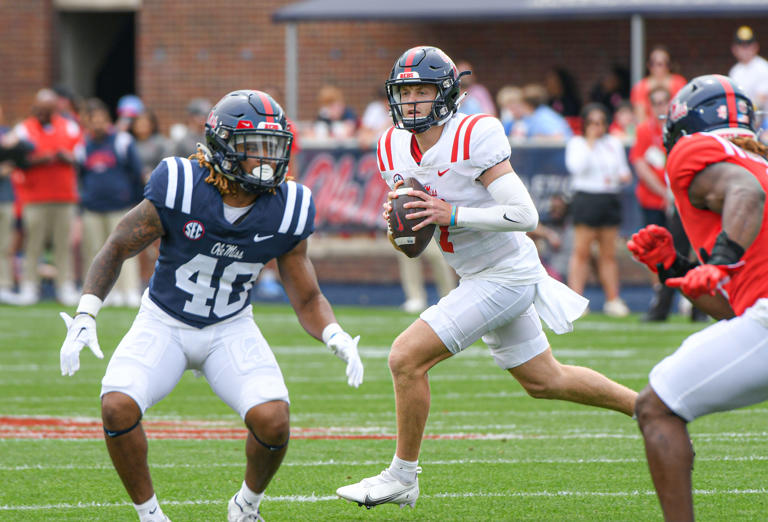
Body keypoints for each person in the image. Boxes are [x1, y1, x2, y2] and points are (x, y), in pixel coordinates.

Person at [336, 45, 637, 510]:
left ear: (448, 94)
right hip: (474, 271)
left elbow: (524, 213)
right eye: (406, 91)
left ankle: (402, 476)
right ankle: (649, 409)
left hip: (506, 272)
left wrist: (450, 213)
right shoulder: (391, 145)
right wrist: (404, 218)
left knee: (405, 358)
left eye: (423, 90)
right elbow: (414, 211)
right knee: (545, 380)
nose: (413, 101)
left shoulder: (474, 135)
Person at [57, 90, 364, 522]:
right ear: (220, 147)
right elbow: (117, 245)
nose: (265, 159)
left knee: (274, 419)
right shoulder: (181, 184)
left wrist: (333, 334)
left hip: (230, 326)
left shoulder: (289, 206)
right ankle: (150, 515)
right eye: (252, 148)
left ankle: (246, 506)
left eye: (272, 147)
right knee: (116, 406)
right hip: (164, 320)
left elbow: (307, 294)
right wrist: (87, 312)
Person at [628, 74, 768, 521]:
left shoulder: (695, 151)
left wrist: (721, 260)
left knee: (656, 407)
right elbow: (736, 313)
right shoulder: (755, 158)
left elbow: (747, 192)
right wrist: (676, 268)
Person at [12, 88, 82, 306]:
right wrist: (41, 160)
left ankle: (65, 286)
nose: (44, 112)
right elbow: (16, 160)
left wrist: (65, 157)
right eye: (41, 108)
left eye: (48, 109)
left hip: (63, 195)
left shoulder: (69, 126)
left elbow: (80, 157)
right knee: (34, 243)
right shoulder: (24, 128)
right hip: (34, 196)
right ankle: (29, 286)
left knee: (63, 244)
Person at [565, 103, 632, 317]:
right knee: (582, 252)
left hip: (609, 197)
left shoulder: (613, 143)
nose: (597, 127)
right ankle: (576, 300)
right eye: (593, 123)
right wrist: (591, 143)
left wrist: (622, 176)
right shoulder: (577, 143)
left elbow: (623, 171)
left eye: (601, 122)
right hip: (586, 198)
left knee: (608, 254)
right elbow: (577, 167)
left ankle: (613, 299)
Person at [79, 98, 144, 307]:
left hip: (120, 206)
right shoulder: (82, 145)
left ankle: (130, 290)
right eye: (92, 120)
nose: (97, 124)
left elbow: (136, 173)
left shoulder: (122, 141)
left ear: (107, 119)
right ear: (86, 122)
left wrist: (135, 201)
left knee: (125, 250)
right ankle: (103, 294)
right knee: (96, 251)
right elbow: (80, 175)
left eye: (100, 119)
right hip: (93, 208)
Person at [630, 45, 686, 125]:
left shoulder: (679, 82)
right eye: (653, 63)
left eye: (661, 64)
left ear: (669, 65)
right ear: (648, 65)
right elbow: (640, 116)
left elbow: (682, 110)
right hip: (651, 129)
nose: (657, 67)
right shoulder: (640, 87)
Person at [728, 26, 768, 131]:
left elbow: (762, 98)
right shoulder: (735, 71)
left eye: (748, 45)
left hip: (763, 121)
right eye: (741, 46)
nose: (745, 50)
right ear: (734, 49)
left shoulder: (763, 67)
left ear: (755, 47)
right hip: (743, 120)